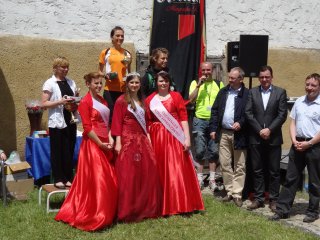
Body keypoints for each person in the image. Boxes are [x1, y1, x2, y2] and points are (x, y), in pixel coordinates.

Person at [55, 72, 117, 231]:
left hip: (105, 144)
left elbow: (107, 124)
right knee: (99, 180)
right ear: (88, 84)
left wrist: (109, 140)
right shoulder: (85, 102)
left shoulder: (103, 100)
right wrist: (101, 144)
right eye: (95, 83)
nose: (99, 86)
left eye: (100, 83)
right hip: (93, 145)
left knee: (110, 179)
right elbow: (87, 128)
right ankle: (96, 214)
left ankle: (108, 211)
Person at [145, 71, 204, 216]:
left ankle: (180, 202)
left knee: (177, 168)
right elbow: (147, 122)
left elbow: (184, 118)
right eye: (160, 81)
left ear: (169, 82)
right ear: (156, 83)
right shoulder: (150, 100)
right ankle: (162, 204)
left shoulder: (176, 97)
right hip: (157, 138)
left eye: (165, 81)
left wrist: (187, 138)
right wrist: (149, 141)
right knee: (161, 169)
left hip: (175, 136)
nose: (163, 83)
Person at [111, 72, 162, 222]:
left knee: (145, 173)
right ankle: (128, 209)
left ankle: (145, 208)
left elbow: (146, 124)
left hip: (142, 140)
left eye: (137, 83)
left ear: (140, 85)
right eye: (132, 82)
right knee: (129, 175)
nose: (134, 85)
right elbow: (117, 122)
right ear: (127, 84)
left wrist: (149, 140)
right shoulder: (121, 100)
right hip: (127, 140)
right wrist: (118, 142)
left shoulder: (142, 101)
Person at [269, 73, 320, 223]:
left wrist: (309, 143)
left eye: (313, 85)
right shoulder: (299, 102)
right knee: (291, 178)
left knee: (315, 180)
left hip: (314, 146)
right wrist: (294, 139)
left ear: (319, 87)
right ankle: (282, 210)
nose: (309, 88)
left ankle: (312, 211)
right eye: (307, 84)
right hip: (297, 144)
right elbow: (293, 123)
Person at [245, 65, 287, 211]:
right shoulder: (252, 92)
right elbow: (248, 113)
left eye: (267, 77)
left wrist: (269, 129)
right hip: (256, 138)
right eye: (262, 77)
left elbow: (282, 115)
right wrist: (260, 130)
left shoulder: (280, 92)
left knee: (274, 170)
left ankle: (274, 199)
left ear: (271, 77)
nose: (264, 79)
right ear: (259, 78)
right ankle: (259, 198)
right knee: (257, 169)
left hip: (273, 137)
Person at [209, 67, 249, 207]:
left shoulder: (247, 94)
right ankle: (230, 192)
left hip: (240, 134)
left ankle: (237, 194)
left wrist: (241, 122)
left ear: (241, 79)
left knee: (240, 165)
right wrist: (213, 128)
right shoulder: (223, 91)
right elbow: (214, 111)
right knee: (225, 164)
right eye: (230, 77)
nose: (230, 80)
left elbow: (249, 113)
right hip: (224, 133)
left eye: (233, 78)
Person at [42, 57, 78, 189]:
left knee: (69, 149)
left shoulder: (71, 82)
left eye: (67, 67)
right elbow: (44, 103)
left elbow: (74, 99)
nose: (66, 69)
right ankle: (58, 178)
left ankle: (68, 177)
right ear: (56, 68)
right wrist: (60, 102)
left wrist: (75, 103)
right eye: (63, 67)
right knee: (58, 150)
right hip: (57, 121)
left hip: (70, 120)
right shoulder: (49, 83)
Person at [188, 62, 224, 191]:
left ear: (212, 70)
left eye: (208, 70)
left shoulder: (219, 84)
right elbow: (190, 99)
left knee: (213, 151)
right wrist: (199, 85)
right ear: (200, 71)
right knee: (200, 150)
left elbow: (222, 103)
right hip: (199, 120)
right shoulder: (194, 83)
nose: (206, 72)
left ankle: (212, 179)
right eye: (204, 70)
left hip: (214, 121)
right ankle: (199, 178)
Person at [98, 26, 132, 118]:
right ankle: (110, 133)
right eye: (117, 36)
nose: (120, 38)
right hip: (109, 90)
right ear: (112, 37)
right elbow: (99, 72)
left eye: (122, 36)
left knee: (122, 116)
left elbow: (129, 74)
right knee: (110, 116)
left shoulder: (127, 54)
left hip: (123, 91)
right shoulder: (105, 52)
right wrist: (106, 76)